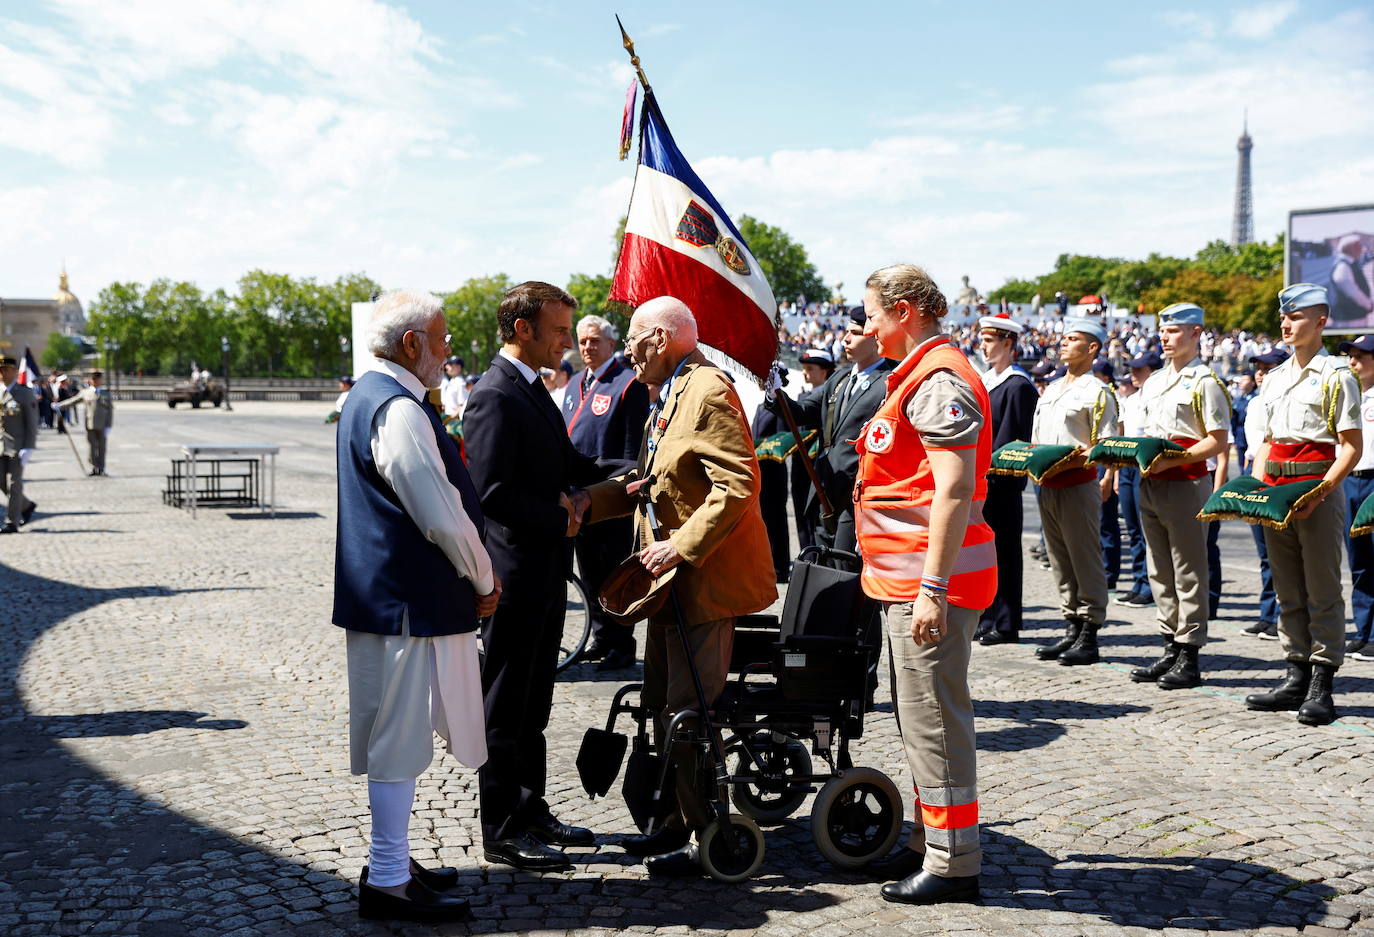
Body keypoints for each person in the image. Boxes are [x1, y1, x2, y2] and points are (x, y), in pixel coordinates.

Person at [581, 296, 776, 875]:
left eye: (636, 340)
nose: (629, 353)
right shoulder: (670, 392)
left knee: (692, 713)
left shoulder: (707, 389)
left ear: (661, 339)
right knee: (665, 709)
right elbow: (651, 483)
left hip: (703, 582)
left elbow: (738, 484)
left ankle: (708, 834)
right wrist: (586, 505)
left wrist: (681, 544)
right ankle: (670, 822)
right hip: (668, 585)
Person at [332, 290, 498, 924]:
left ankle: (391, 862)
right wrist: (482, 575)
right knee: (398, 742)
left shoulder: (368, 398)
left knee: (393, 738)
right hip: (408, 600)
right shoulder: (397, 408)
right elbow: (441, 514)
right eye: (442, 335)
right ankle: (390, 879)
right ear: (411, 345)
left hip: (388, 597)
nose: (449, 347)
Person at [850, 264, 993, 906]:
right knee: (921, 719)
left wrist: (932, 586)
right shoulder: (917, 378)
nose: (867, 327)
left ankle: (953, 862)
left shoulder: (937, 382)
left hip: (930, 587)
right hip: (907, 583)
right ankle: (930, 837)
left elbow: (953, 488)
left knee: (934, 721)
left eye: (874, 313)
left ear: (905, 310)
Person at [462, 281, 606, 870]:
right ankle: (501, 825)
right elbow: (490, 492)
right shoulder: (494, 394)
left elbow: (571, 464)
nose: (567, 341)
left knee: (536, 704)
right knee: (506, 705)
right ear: (523, 330)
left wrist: (635, 475)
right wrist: (558, 516)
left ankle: (530, 806)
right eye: (559, 330)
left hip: (546, 571)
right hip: (515, 576)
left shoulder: (533, 388)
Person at [1246, 284, 1361, 726]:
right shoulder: (1274, 378)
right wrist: (1258, 490)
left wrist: (1321, 492)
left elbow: (1351, 446)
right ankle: (1294, 672)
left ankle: (1322, 681)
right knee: (1287, 588)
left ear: (1321, 322)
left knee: (1322, 588)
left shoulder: (1336, 375)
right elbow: (1268, 442)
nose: (1287, 324)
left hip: (1316, 488)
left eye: (1296, 316)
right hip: (1276, 491)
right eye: (1283, 318)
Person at [1129, 304, 1231, 690]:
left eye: (1173, 331)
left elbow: (1217, 441)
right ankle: (1169, 644)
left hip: (1186, 482)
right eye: (1162, 331)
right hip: (1152, 482)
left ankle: (1189, 652)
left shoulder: (1204, 381)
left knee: (1188, 569)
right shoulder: (1154, 381)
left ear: (1195, 334)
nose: (1164, 337)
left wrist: (1175, 461)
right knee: (1159, 569)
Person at [562, 314, 651, 670]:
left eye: (595, 340)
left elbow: (632, 452)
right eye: (582, 341)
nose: (587, 346)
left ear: (611, 345)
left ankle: (620, 643)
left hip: (610, 496)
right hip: (577, 496)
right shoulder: (574, 385)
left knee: (613, 571)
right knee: (590, 571)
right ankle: (601, 637)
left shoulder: (628, 384)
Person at [1030, 318, 1118, 666]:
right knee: (1059, 559)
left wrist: (1076, 464)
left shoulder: (1098, 392)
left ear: (1092, 348)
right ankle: (1071, 623)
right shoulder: (1051, 389)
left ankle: (1090, 630)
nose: (1063, 344)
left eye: (1073, 339)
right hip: (1047, 484)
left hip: (1077, 483)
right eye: (1063, 338)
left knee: (1084, 558)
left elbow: (1105, 444)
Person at [788, 307, 897, 554]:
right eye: (846, 332)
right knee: (823, 562)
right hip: (826, 488)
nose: (845, 339)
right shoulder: (841, 378)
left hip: (857, 493)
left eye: (855, 333)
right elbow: (805, 411)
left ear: (874, 338)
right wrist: (776, 394)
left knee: (845, 566)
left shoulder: (889, 380)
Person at [975, 313, 1037, 645]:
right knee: (985, 553)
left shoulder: (1018, 385)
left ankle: (1006, 621)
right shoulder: (988, 381)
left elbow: (1012, 440)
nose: (983, 346)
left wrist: (990, 472)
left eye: (989, 340)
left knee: (1005, 552)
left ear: (1007, 343)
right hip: (983, 479)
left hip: (1001, 482)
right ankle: (987, 615)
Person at [1240, 349, 1287, 640]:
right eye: (1259, 367)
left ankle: (1284, 614)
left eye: (1269, 367)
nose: (1261, 372)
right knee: (1264, 553)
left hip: (1277, 472)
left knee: (1281, 551)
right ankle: (1268, 614)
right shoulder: (1255, 401)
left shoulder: (1282, 399)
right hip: (1253, 467)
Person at [1115, 352, 1163, 609]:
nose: (1133, 374)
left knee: (1147, 530)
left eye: (1139, 369)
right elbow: (1121, 434)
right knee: (1133, 528)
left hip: (1145, 463)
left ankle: (1149, 584)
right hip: (1128, 464)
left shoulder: (1157, 397)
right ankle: (1138, 582)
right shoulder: (1130, 400)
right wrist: (1115, 472)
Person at [1337, 334, 1374, 662]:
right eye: (1350, 356)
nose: (1352, 362)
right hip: (1351, 481)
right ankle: (1363, 631)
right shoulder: (1348, 395)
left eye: (1360, 357)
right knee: (1359, 561)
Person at [788, 347, 838, 553]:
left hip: (820, 466)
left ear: (824, 371)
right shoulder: (803, 397)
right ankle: (806, 558)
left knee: (819, 522)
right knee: (802, 517)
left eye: (810, 368)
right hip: (801, 465)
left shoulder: (833, 397)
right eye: (803, 368)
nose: (805, 372)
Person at [0, 355, 39, 533]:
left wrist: (29, 447)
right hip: (1, 445)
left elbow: (32, 422)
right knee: (2, 483)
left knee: (15, 483)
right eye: (0, 370)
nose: (2, 373)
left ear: (14, 371)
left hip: (17, 445)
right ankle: (27, 505)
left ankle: (12, 521)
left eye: (5, 369)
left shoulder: (24, 392)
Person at [54, 371, 114, 476]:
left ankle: (101, 468)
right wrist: (60, 405)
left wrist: (109, 425)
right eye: (94, 379)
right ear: (91, 380)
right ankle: (94, 467)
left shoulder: (106, 393)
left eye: (98, 379)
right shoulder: (86, 392)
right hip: (90, 424)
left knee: (102, 447)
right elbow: (73, 401)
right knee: (91, 447)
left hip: (103, 424)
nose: (96, 381)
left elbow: (110, 411)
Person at [439, 355, 468, 424]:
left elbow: (463, 406)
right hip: (448, 417)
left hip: (455, 421)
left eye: (451, 365)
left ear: (459, 367)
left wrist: (449, 418)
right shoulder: (452, 381)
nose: (447, 366)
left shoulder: (461, 383)